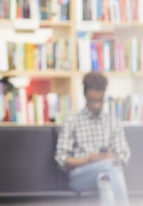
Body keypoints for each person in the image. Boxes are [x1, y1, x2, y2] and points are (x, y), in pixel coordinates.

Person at [55, 71, 131, 206]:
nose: (96, 105)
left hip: (108, 172)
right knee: (111, 167)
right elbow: (62, 159)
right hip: (80, 177)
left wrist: (110, 157)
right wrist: (88, 160)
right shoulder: (71, 121)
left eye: (100, 100)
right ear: (85, 95)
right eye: (92, 101)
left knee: (105, 181)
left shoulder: (112, 122)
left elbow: (124, 156)